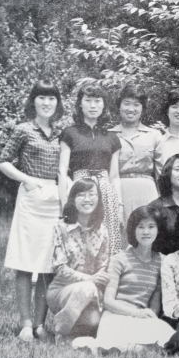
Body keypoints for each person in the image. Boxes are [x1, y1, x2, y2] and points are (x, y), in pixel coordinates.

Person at [0, 81, 64, 342]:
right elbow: (3, 161)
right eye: (41, 97)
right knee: (25, 263)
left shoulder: (61, 132)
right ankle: (25, 323)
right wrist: (27, 179)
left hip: (54, 201)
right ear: (33, 101)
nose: (46, 103)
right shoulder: (24, 129)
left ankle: (39, 325)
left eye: (51, 98)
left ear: (57, 103)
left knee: (48, 265)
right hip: (30, 198)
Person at [94, 206, 175, 352]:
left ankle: (119, 347)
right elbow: (108, 301)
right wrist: (136, 313)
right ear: (133, 230)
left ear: (158, 230)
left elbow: (155, 299)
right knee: (150, 347)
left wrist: (150, 316)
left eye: (151, 227)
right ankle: (110, 346)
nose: (146, 232)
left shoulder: (162, 261)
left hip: (141, 318)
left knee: (169, 338)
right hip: (116, 316)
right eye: (141, 227)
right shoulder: (119, 259)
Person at [59, 80, 123, 256]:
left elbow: (114, 176)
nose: (93, 106)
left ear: (104, 105)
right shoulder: (70, 133)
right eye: (88, 100)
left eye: (97, 101)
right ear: (80, 104)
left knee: (107, 240)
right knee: (79, 238)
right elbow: (62, 171)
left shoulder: (112, 138)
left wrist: (119, 205)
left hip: (105, 191)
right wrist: (64, 202)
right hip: (79, 189)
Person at [46, 178, 109, 341]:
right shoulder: (61, 227)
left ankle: (82, 330)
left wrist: (97, 281)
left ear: (98, 199)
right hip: (62, 290)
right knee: (86, 288)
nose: (87, 199)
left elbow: (103, 265)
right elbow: (60, 268)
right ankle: (61, 332)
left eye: (92, 194)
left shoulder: (102, 230)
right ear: (73, 199)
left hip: (93, 290)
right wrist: (90, 279)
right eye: (81, 195)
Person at [110, 83, 161, 223]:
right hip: (119, 193)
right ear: (119, 106)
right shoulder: (109, 135)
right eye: (126, 103)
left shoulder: (154, 135)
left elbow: (161, 174)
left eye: (136, 104)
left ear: (142, 108)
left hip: (148, 193)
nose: (131, 109)